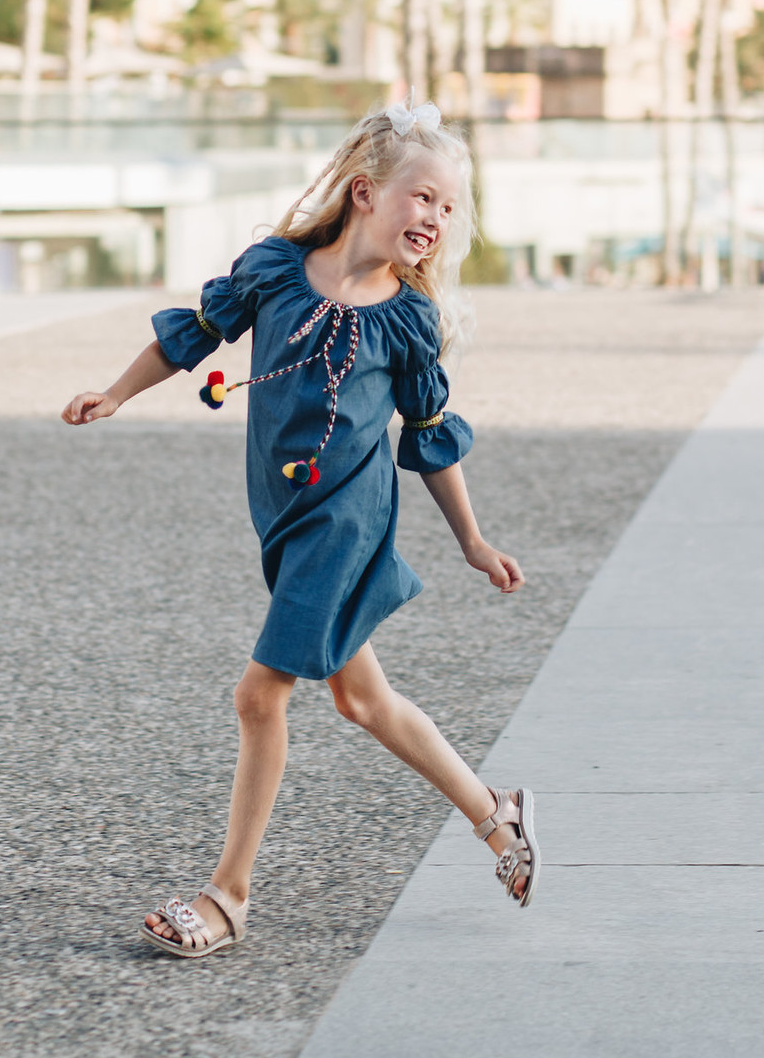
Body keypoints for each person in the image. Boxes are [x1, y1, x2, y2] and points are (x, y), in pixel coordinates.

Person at [60, 102, 541, 959]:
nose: (435, 217)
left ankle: (227, 896)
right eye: (421, 196)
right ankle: (496, 814)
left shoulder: (407, 323)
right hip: (284, 520)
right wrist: (116, 392)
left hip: (344, 525)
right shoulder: (277, 272)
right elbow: (193, 334)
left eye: (448, 207)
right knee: (362, 700)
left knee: (259, 695)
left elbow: (428, 437)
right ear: (365, 192)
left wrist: (471, 537)